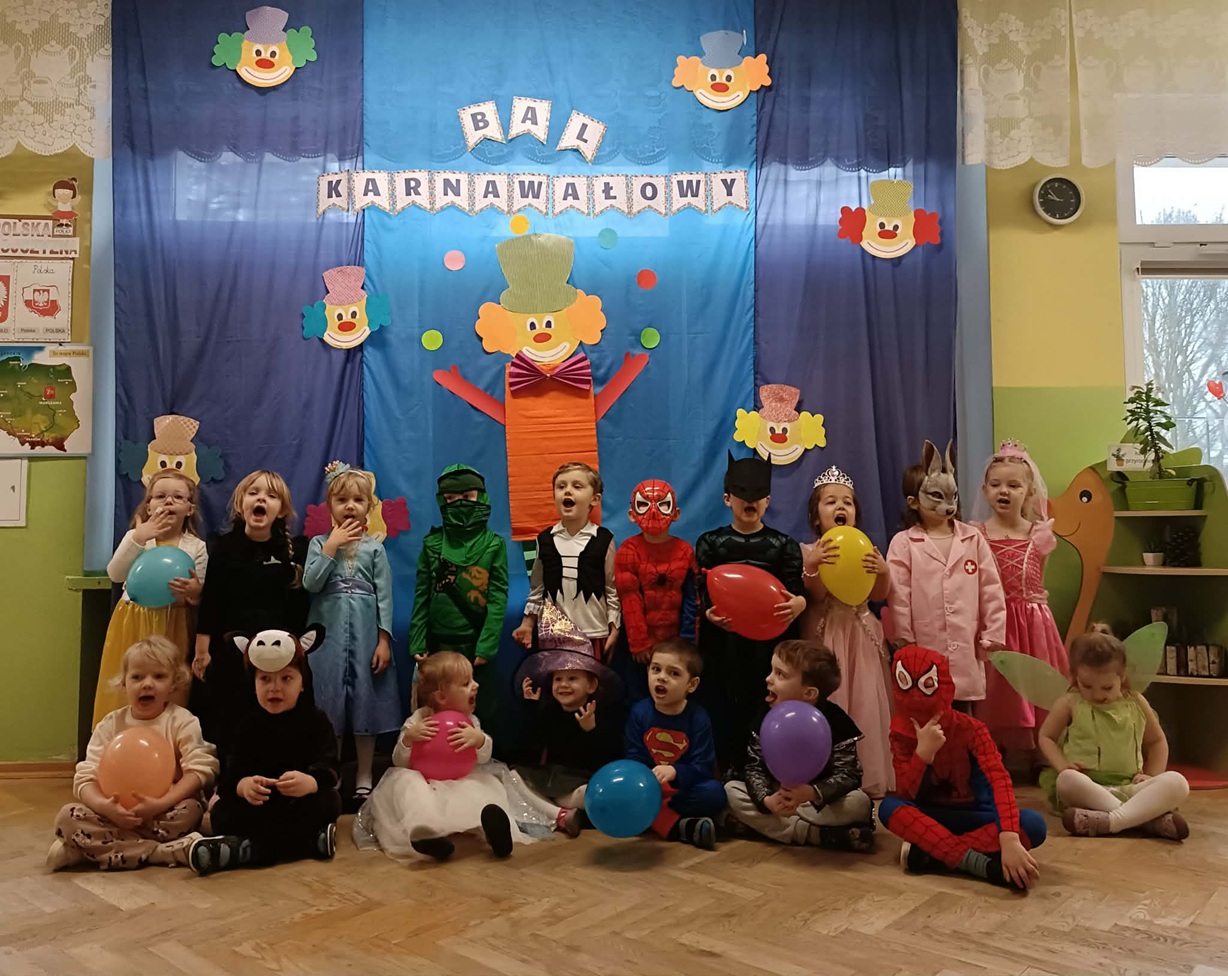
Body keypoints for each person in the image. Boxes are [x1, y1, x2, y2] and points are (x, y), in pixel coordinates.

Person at [879, 645, 1046, 890]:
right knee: (889, 808)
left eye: (926, 685)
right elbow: (907, 793)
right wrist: (922, 755)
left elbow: (999, 781)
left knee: (1033, 824)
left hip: (977, 816)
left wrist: (1009, 839)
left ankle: (932, 854)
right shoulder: (900, 733)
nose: (916, 696)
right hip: (932, 816)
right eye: (906, 684)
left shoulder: (972, 729)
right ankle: (980, 865)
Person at [49, 637, 218, 871]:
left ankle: (91, 849)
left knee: (192, 810)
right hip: (113, 813)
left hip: (164, 812)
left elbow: (201, 770)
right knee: (67, 816)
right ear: (124, 683)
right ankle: (159, 853)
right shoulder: (110, 725)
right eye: (137, 677)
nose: (147, 684)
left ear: (173, 683)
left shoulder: (181, 721)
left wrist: (161, 803)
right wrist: (105, 807)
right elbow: (86, 777)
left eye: (159, 676)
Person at [189, 626, 340, 875]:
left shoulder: (316, 720)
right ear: (254, 683)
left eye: (286, 679)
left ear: (303, 684)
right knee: (221, 814)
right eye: (265, 679)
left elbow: (330, 767)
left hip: (297, 802)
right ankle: (307, 843)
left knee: (328, 802)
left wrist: (310, 782)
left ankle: (247, 851)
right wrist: (244, 786)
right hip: (259, 806)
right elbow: (230, 778)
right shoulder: (247, 724)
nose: (274, 688)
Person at [367, 652, 541, 861]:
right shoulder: (420, 719)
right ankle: (426, 833)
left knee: (481, 793)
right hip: (425, 782)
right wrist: (408, 740)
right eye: (466, 683)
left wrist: (479, 740)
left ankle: (491, 831)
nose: (476, 685)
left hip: (462, 779)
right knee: (408, 788)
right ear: (441, 697)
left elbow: (483, 758)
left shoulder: (470, 721)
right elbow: (399, 761)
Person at [694, 452, 805, 770]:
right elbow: (701, 588)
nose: (750, 501)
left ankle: (767, 766)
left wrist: (800, 602)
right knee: (723, 703)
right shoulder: (710, 543)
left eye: (758, 495)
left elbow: (794, 587)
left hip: (768, 646)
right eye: (742, 494)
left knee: (765, 700)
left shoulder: (784, 545)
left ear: (768, 500)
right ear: (727, 498)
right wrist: (708, 612)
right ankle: (726, 767)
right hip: (723, 642)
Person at [191, 470, 309, 761]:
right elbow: (211, 601)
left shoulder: (294, 551)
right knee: (230, 713)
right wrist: (202, 650)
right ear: (240, 504)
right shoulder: (222, 548)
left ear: (281, 510)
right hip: (231, 648)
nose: (261, 499)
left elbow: (299, 608)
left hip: (277, 649)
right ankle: (230, 773)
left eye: (271, 495)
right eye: (253, 493)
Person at [304, 461, 401, 800]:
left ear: (368, 507)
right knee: (328, 700)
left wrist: (383, 640)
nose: (350, 506)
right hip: (327, 637)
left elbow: (385, 596)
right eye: (342, 499)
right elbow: (311, 583)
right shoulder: (318, 544)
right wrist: (331, 546)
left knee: (365, 701)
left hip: (365, 636)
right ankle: (330, 770)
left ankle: (363, 772)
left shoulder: (375, 549)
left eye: (358, 500)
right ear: (329, 505)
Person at [1038, 625, 1190, 840]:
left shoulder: (1135, 701)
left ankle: (1112, 820)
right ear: (1075, 675)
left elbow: (1156, 741)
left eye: (1107, 687)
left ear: (1122, 676)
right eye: (1087, 686)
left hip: (1130, 787)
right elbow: (1046, 737)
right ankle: (1146, 820)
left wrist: (1151, 776)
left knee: (1178, 782)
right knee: (1066, 780)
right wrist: (1063, 767)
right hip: (1089, 788)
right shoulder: (1070, 702)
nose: (1097, 695)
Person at [886, 441, 1006, 710]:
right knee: (928, 714)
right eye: (937, 496)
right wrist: (906, 640)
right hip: (924, 652)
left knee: (964, 717)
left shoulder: (972, 538)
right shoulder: (903, 543)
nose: (947, 505)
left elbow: (991, 588)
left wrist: (994, 632)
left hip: (967, 648)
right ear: (913, 502)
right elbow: (899, 596)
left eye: (952, 496)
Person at [725, 640, 875, 851]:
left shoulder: (836, 721)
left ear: (809, 693)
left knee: (859, 803)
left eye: (780, 674)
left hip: (816, 802)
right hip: (776, 794)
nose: (768, 679)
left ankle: (774, 827)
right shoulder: (765, 715)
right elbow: (754, 766)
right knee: (731, 791)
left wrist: (811, 793)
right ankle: (814, 834)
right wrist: (767, 800)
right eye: (772, 670)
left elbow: (849, 774)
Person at [800, 465, 893, 796]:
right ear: (816, 518)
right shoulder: (808, 551)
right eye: (831, 502)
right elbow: (815, 596)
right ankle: (826, 775)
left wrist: (883, 572)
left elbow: (878, 594)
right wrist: (814, 565)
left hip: (860, 635)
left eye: (847, 502)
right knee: (831, 700)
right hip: (827, 634)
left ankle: (866, 775)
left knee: (865, 703)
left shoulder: (866, 548)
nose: (840, 507)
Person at [971, 441, 1069, 755]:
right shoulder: (976, 534)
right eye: (996, 484)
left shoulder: (1039, 535)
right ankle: (994, 754)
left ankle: (1040, 752)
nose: (1004, 491)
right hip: (994, 625)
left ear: (1029, 492)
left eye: (1014, 485)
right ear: (985, 490)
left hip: (1032, 626)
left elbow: (1038, 582)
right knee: (998, 691)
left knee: (1034, 686)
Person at [93, 471, 206, 724]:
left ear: (189, 509)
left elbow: (199, 590)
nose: (169, 501)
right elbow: (115, 574)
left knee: (169, 680)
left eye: (178, 497)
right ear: (149, 506)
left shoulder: (196, 547)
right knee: (130, 679)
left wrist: (194, 592)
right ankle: (119, 734)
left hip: (173, 621)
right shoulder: (138, 537)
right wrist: (139, 536)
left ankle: (168, 734)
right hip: (133, 619)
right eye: (160, 496)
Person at [408, 464, 509, 732]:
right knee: (434, 708)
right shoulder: (432, 545)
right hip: (438, 645)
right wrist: (417, 639)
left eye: (467, 497)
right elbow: (422, 595)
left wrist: (487, 645)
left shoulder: (494, 545)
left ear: (481, 497)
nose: (460, 504)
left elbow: (498, 598)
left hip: (475, 646)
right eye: (451, 498)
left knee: (479, 709)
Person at [516, 600, 624, 812]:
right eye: (558, 679)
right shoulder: (549, 710)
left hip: (581, 780)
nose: (563, 685)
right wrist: (531, 708)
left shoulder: (599, 714)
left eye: (572, 678)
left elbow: (608, 756)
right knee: (514, 777)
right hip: (552, 778)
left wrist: (590, 730)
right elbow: (533, 744)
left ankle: (558, 810)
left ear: (591, 685)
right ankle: (558, 813)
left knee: (591, 794)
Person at [625, 639, 726, 850]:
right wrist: (645, 779)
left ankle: (653, 818)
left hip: (679, 790)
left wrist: (675, 772)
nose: (662, 677)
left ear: (692, 685)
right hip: (647, 787)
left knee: (714, 793)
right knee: (624, 792)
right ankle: (682, 827)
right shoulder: (639, 712)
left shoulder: (698, 718)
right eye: (656, 669)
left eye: (674, 673)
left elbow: (703, 766)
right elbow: (633, 757)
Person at [513, 462, 620, 660]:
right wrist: (528, 624)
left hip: (594, 632)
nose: (567, 491)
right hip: (554, 634)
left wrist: (614, 626)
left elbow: (611, 588)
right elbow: (537, 589)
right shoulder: (544, 539)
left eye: (577, 486)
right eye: (561, 486)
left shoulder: (604, 539)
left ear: (595, 499)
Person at [614, 478, 697, 699]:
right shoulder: (628, 550)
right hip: (641, 648)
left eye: (662, 505)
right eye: (644, 505)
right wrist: (639, 643)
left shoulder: (685, 551)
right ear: (632, 515)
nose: (653, 512)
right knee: (638, 694)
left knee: (676, 696)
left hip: (676, 642)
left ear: (675, 513)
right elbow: (629, 599)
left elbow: (691, 598)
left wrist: (687, 641)